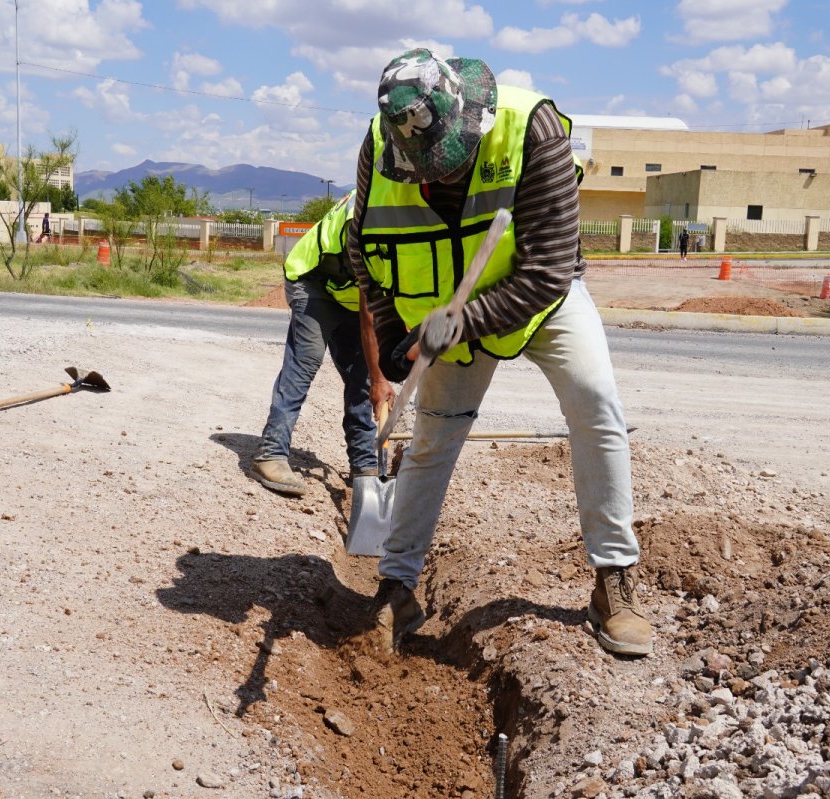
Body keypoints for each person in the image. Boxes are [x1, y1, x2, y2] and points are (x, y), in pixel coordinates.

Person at [348, 48, 652, 656]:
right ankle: (397, 587)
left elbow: (548, 270)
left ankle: (614, 581)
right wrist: (393, 328)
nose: (439, 177)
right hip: (445, 311)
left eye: (448, 163)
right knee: (432, 438)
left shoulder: (531, 128)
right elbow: (363, 250)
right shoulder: (383, 145)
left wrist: (462, 324)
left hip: (542, 301)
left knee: (595, 403)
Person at [250, 190, 394, 496]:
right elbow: (371, 314)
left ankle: (365, 465)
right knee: (305, 362)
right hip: (313, 281)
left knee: (363, 379)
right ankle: (271, 454)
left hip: (348, 290)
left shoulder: (409, 215)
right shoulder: (370, 218)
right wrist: (381, 377)